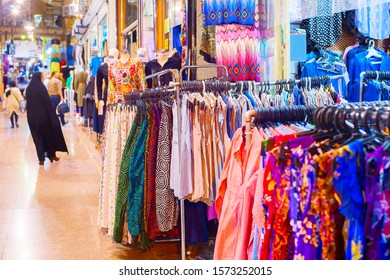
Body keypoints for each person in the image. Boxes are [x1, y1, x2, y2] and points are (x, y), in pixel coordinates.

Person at [25, 72, 68, 165]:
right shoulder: (41, 88)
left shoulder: (28, 88)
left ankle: (41, 159)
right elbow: (47, 103)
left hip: (31, 118)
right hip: (43, 118)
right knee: (48, 136)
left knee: (37, 138)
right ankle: (51, 155)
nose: (43, 79)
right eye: (42, 77)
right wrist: (53, 116)